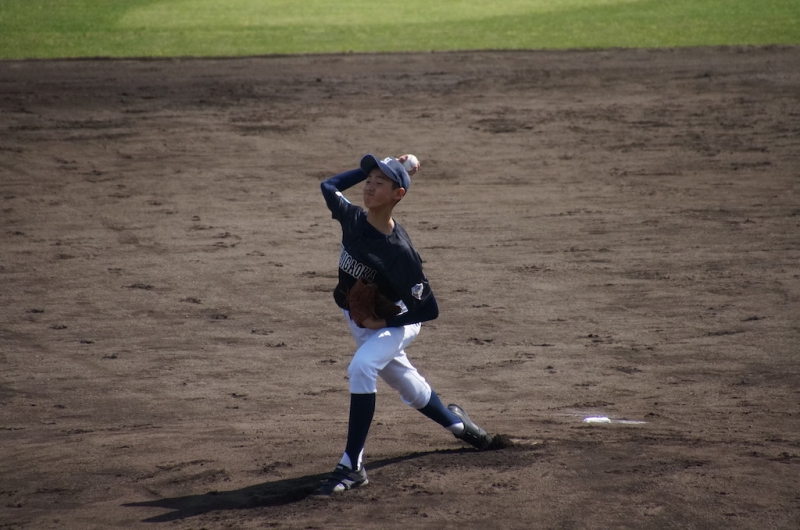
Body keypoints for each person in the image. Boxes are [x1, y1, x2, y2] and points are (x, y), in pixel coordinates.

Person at [315, 153, 494, 496]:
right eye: (368, 181)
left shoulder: (400, 253)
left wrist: (383, 320)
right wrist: (369, 169)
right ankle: (461, 426)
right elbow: (329, 185)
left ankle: (351, 466)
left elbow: (428, 310)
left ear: (398, 195)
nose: (369, 187)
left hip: (398, 322)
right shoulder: (352, 218)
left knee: (362, 367)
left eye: (379, 183)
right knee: (407, 385)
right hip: (362, 322)